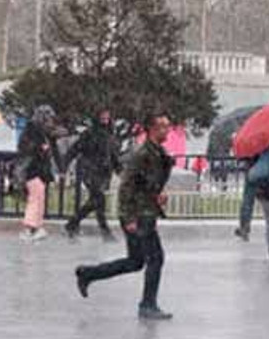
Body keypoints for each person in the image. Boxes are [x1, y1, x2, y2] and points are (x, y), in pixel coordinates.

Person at [75, 113, 176, 320]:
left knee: (135, 262)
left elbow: (147, 182)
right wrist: (128, 218)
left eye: (168, 126)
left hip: (145, 210)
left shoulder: (157, 152)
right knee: (156, 258)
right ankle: (147, 305)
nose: (167, 130)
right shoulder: (141, 154)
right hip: (139, 214)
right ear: (152, 129)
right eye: (163, 127)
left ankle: (88, 273)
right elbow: (126, 186)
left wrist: (158, 194)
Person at [63, 110, 122, 241]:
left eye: (107, 118)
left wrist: (119, 170)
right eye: (102, 118)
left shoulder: (110, 135)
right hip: (89, 170)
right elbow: (74, 149)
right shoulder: (89, 134)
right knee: (98, 199)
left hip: (103, 173)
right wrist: (64, 167)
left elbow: (113, 155)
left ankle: (72, 224)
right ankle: (105, 232)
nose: (105, 121)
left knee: (97, 202)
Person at [17, 105, 60, 242]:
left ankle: (36, 226)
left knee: (39, 197)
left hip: (40, 170)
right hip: (32, 169)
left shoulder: (43, 132)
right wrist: (40, 148)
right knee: (35, 197)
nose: (50, 121)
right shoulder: (33, 131)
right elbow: (26, 149)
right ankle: (30, 227)